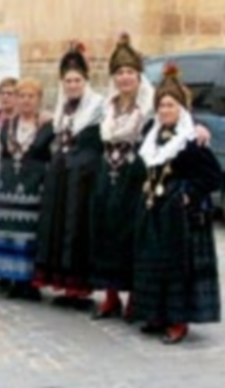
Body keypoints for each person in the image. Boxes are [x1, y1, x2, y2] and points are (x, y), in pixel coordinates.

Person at [132, 63, 221, 344]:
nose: (164, 110)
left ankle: (178, 321)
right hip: (155, 209)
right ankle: (156, 315)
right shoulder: (152, 135)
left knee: (178, 268)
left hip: (180, 214)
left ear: (181, 108)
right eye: (160, 105)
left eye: (170, 105)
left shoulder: (191, 140)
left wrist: (188, 194)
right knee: (154, 263)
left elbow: (214, 176)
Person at [34, 42, 105, 310]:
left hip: (85, 178)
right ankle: (65, 285)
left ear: (85, 80)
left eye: (76, 80)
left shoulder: (98, 106)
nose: (72, 85)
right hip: (62, 176)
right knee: (59, 227)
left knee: (78, 230)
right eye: (68, 80)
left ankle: (80, 288)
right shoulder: (62, 107)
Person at [88, 33, 154, 320]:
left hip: (135, 178)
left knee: (132, 236)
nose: (124, 78)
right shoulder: (107, 107)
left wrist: (198, 129)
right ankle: (111, 296)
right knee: (106, 234)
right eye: (119, 73)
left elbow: (178, 119)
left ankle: (135, 297)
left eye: (129, 72)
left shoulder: (150, 107)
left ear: (139, 76)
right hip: (108, 177)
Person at [0, 78, 54, 300]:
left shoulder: (48, 127)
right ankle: (12, 279)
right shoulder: (6, 126)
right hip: (7, 192)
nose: (25, 101)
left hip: (34, 193)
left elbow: (56, 156)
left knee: (30, 238)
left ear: (39, 100)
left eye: (31, 96)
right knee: (9, 236)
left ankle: (30, 282)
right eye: (21, 96)